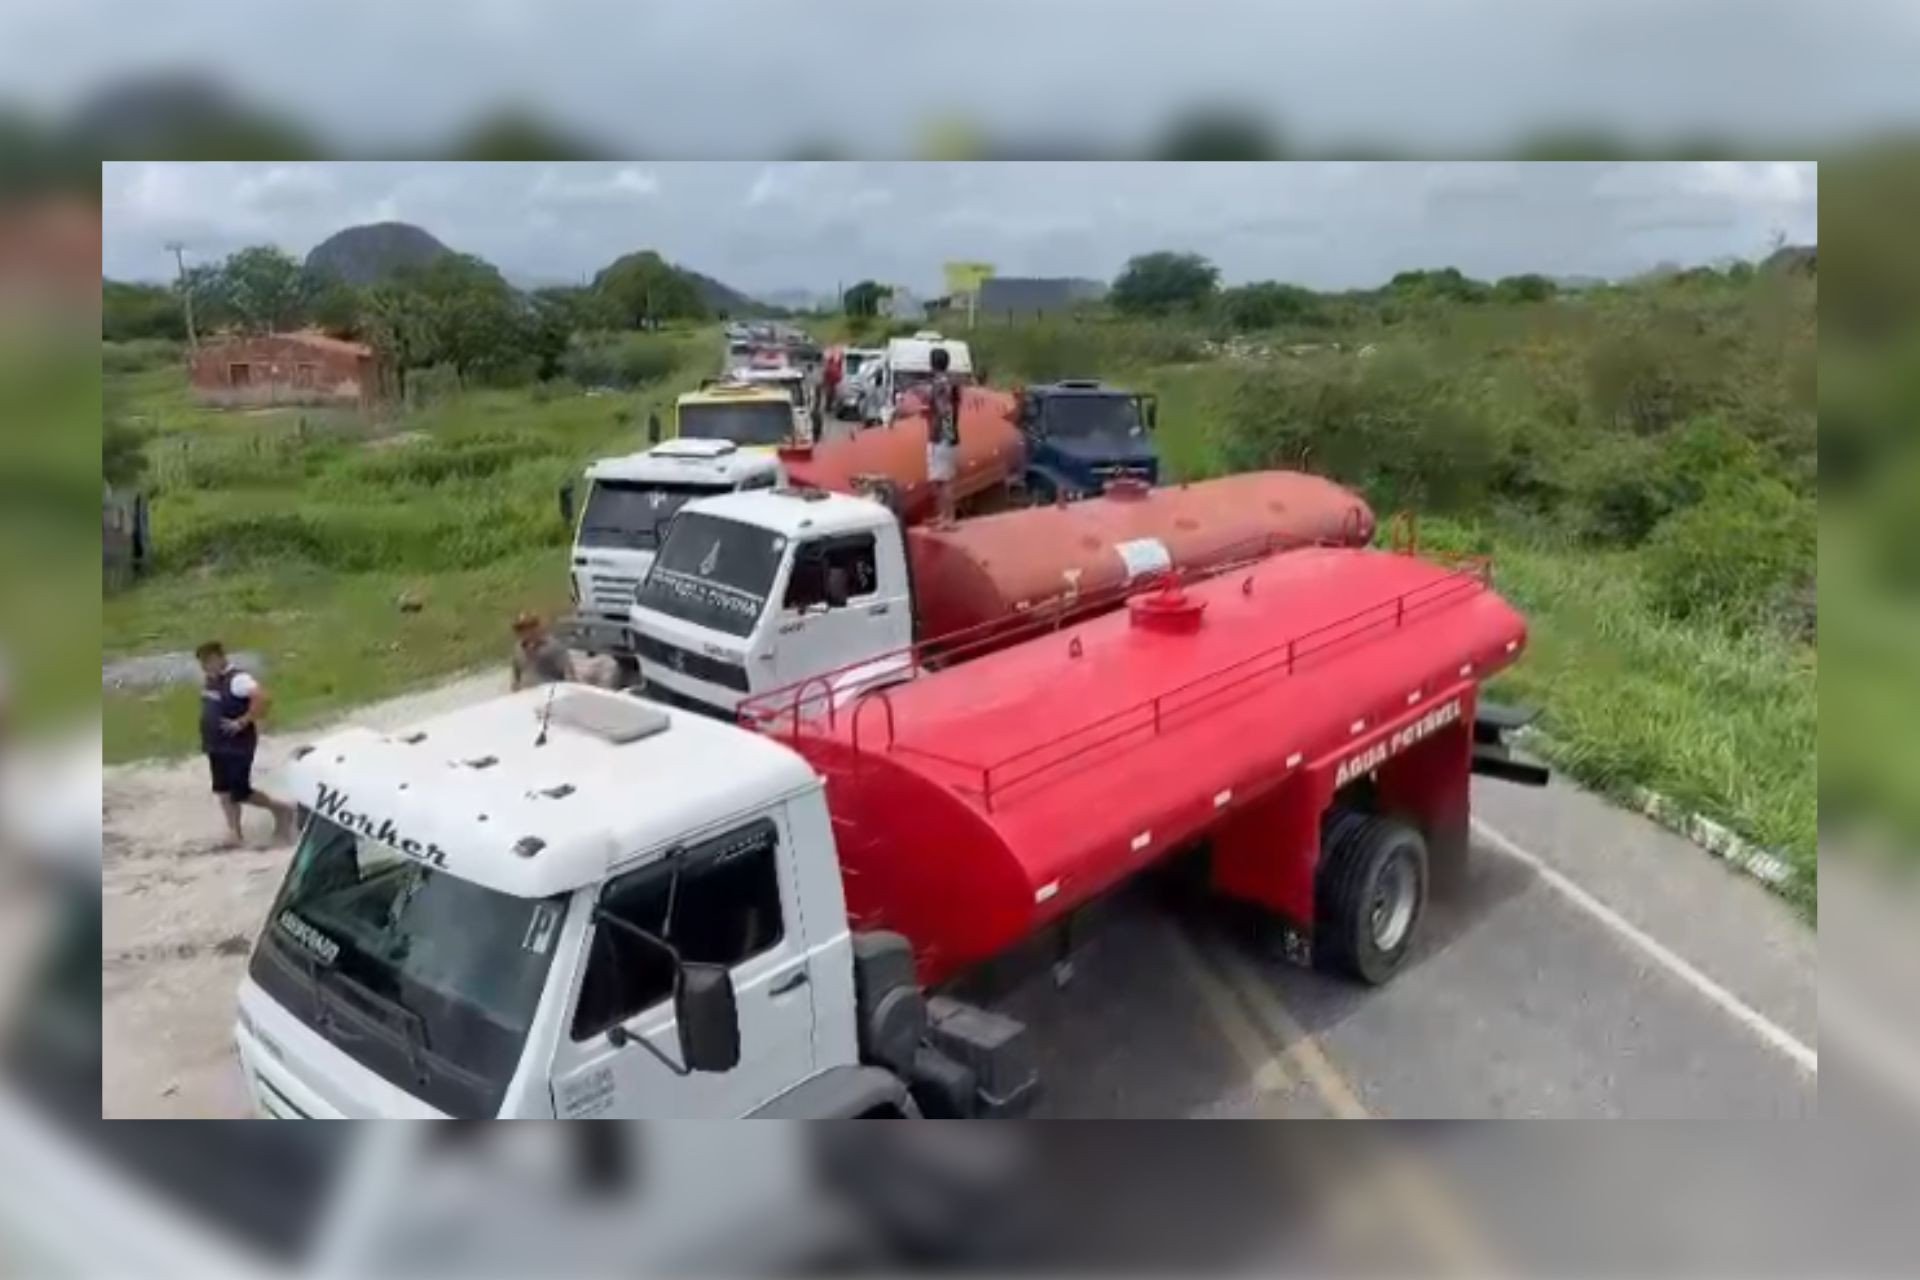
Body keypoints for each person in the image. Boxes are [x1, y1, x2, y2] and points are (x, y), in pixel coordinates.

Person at [195, 641, 295, 848]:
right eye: (202, 664)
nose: (204, 667)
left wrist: (243, 721)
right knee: (222, 790)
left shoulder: (238, 679)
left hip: (237, 746)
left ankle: (281, 810)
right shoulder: (211, 680)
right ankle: (234, 833)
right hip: (216, 745)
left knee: (240, 792)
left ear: (219, 658)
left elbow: (262, 697)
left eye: (207, 662)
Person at [924, 346, 964, 527]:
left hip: (942, 436)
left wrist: (945, 436)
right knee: (939, 479)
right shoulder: (949, 381)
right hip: (943, 435)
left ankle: (949, 518)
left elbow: (945, 411)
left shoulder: (940, 384)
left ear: (932, 363)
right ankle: (943, 515)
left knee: (945, 479)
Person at [511, 611, 576, 690]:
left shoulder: (553, 647)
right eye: (521, 629)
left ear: (538, 627)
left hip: (549, 692)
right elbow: (516, 676)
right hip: (526, 694)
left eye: (531, 627)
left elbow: (569, 674)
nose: (527, 632)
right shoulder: (518, 648)